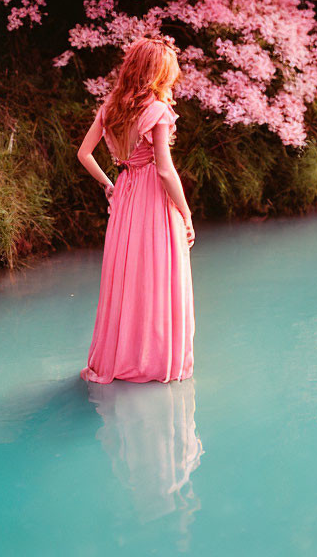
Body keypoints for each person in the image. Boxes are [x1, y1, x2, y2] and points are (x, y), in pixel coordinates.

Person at [76, 36, 196, 384]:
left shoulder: (110, 107)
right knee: (156, 276)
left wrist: (108, 184)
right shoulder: (157, 110)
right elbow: (164, 169)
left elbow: (84, 154)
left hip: (126, 193)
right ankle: (153, 361)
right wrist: (186, 212)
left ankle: (120, 356)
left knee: (126, 276)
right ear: (157, 73)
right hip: (153, 199)